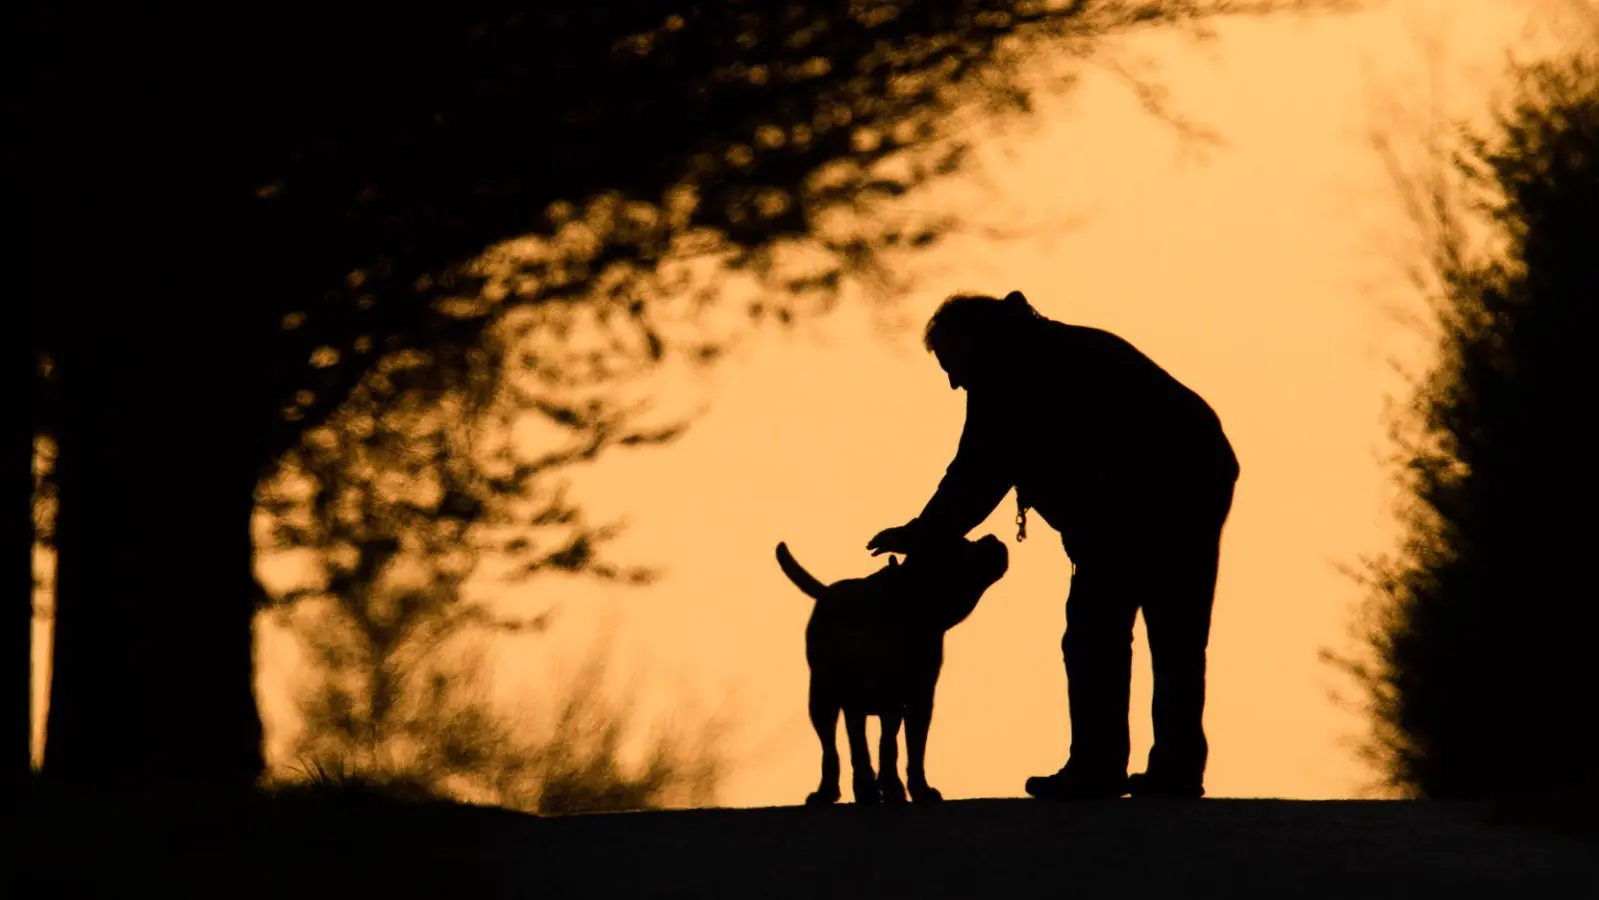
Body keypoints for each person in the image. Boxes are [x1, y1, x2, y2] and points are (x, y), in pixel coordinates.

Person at [868, 290, 1239, 799]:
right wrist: (926, 531)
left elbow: (979, 472)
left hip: (1167, 488)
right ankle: (1158, 769)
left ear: (975, 343)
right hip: (1190, 475)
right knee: (1164, 631)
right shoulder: (1031, 356)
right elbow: (981, 471)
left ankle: (1106, 768)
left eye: (952, 365)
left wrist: (924, 533)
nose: (954, 382)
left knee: (1108, 629)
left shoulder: (1015, 374)